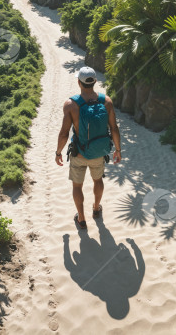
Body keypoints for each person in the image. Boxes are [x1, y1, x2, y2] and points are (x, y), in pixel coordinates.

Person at [55, 66, 122, 229]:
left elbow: (64, 133)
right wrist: (118, 150)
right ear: (95, 82)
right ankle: (96, 209)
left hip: (79, 154)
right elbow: (114, 128)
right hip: (99, 153)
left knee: (77, 186)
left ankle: (82, 219)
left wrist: (58, 152)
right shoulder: (106, 101)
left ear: (79, 82)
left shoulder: (71, 104)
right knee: (97, 180)